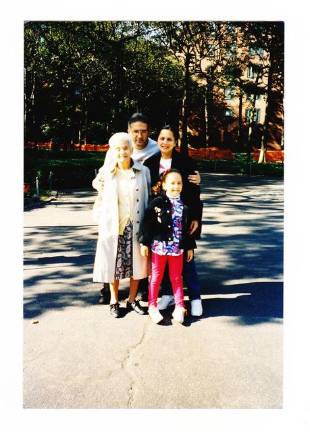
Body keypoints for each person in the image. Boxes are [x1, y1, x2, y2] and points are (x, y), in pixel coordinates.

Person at [93, 113, 201, 303]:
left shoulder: (154, 148)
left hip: (152, 208)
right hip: (121, 206)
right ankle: (108, 291)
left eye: (144, 132)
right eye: (135, 132)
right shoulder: (118, 147)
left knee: (148, 252)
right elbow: (102, 177)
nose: (139, 136)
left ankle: (157, 291)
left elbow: (191, 188)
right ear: (129, 131)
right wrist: (100, 187)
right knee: (114, 250)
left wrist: (198, 184)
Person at [144, 126, 203, 317]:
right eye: (161, 138)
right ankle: (168, 294)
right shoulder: (150, 162)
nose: (164, 142)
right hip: (161, 221)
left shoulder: (185, 161)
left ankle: (195, 298)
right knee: (166, 264)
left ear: (175, 142)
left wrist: (195, 218)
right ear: (157, 140)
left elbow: (195, 192)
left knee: (187, 260)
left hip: (182, 218)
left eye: (169, 139)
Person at [92, 132, 151, 318]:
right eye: (117, 148)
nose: (122, 152)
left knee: (137, 265)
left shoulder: (143, 171)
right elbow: (98, 190)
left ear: (131, 149)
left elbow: (149, 197)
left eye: (125, 147)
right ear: (112, 151)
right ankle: (114, 300)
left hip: (137, 225)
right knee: (113, 264)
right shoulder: (107, 173)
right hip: (114, 226)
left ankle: (132, 299)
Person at [139, 169, 196, 324]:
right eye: (172, 183)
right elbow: (147, 224)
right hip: (159, 247)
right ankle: (152, 305)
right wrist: (144, 242)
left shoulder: (185, 205)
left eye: (179, 183)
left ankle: (179, 306)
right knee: (156, 277)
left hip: (177, 248)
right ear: (164, 185)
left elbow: (188, 229)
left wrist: (190, 247)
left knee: (176, 277)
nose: (176, 186)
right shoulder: (156, 202)